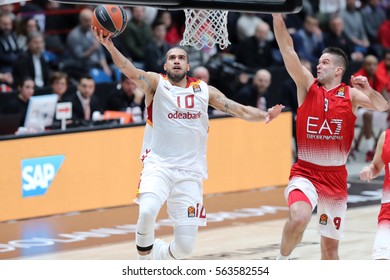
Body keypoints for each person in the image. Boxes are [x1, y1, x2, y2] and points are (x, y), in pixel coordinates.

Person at [92, 27, 284, 260]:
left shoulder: (204, 90)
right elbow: (129, 71)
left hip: (190, 174)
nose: (176, 61)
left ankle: (157, 257)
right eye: (171, 58)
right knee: (148, 211)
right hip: (159, 166)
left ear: (188, 66)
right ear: (165, 65)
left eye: (181, 58)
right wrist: (110, 46)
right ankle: (143, 263)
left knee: (184, 249)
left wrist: (265, 115)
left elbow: (239, 109)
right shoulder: (155, 84)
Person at [272, 13, 388, 260]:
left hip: (335, 178)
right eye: (318, 62)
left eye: (324, 62)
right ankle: (281, 262)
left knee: (330, 250)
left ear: (338, 70)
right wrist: (276, 15)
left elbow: (382, 106)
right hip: (305, 172)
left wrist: (368, 89)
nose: (318, 65)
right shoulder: (306, 85)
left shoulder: (351, 95)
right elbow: (287, 49)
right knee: (300, 216)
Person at [359, 129, 390, 260]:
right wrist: (369, 169)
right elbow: (376, 166)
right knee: (381, 258)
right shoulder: (386, 136)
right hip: (388, 209)